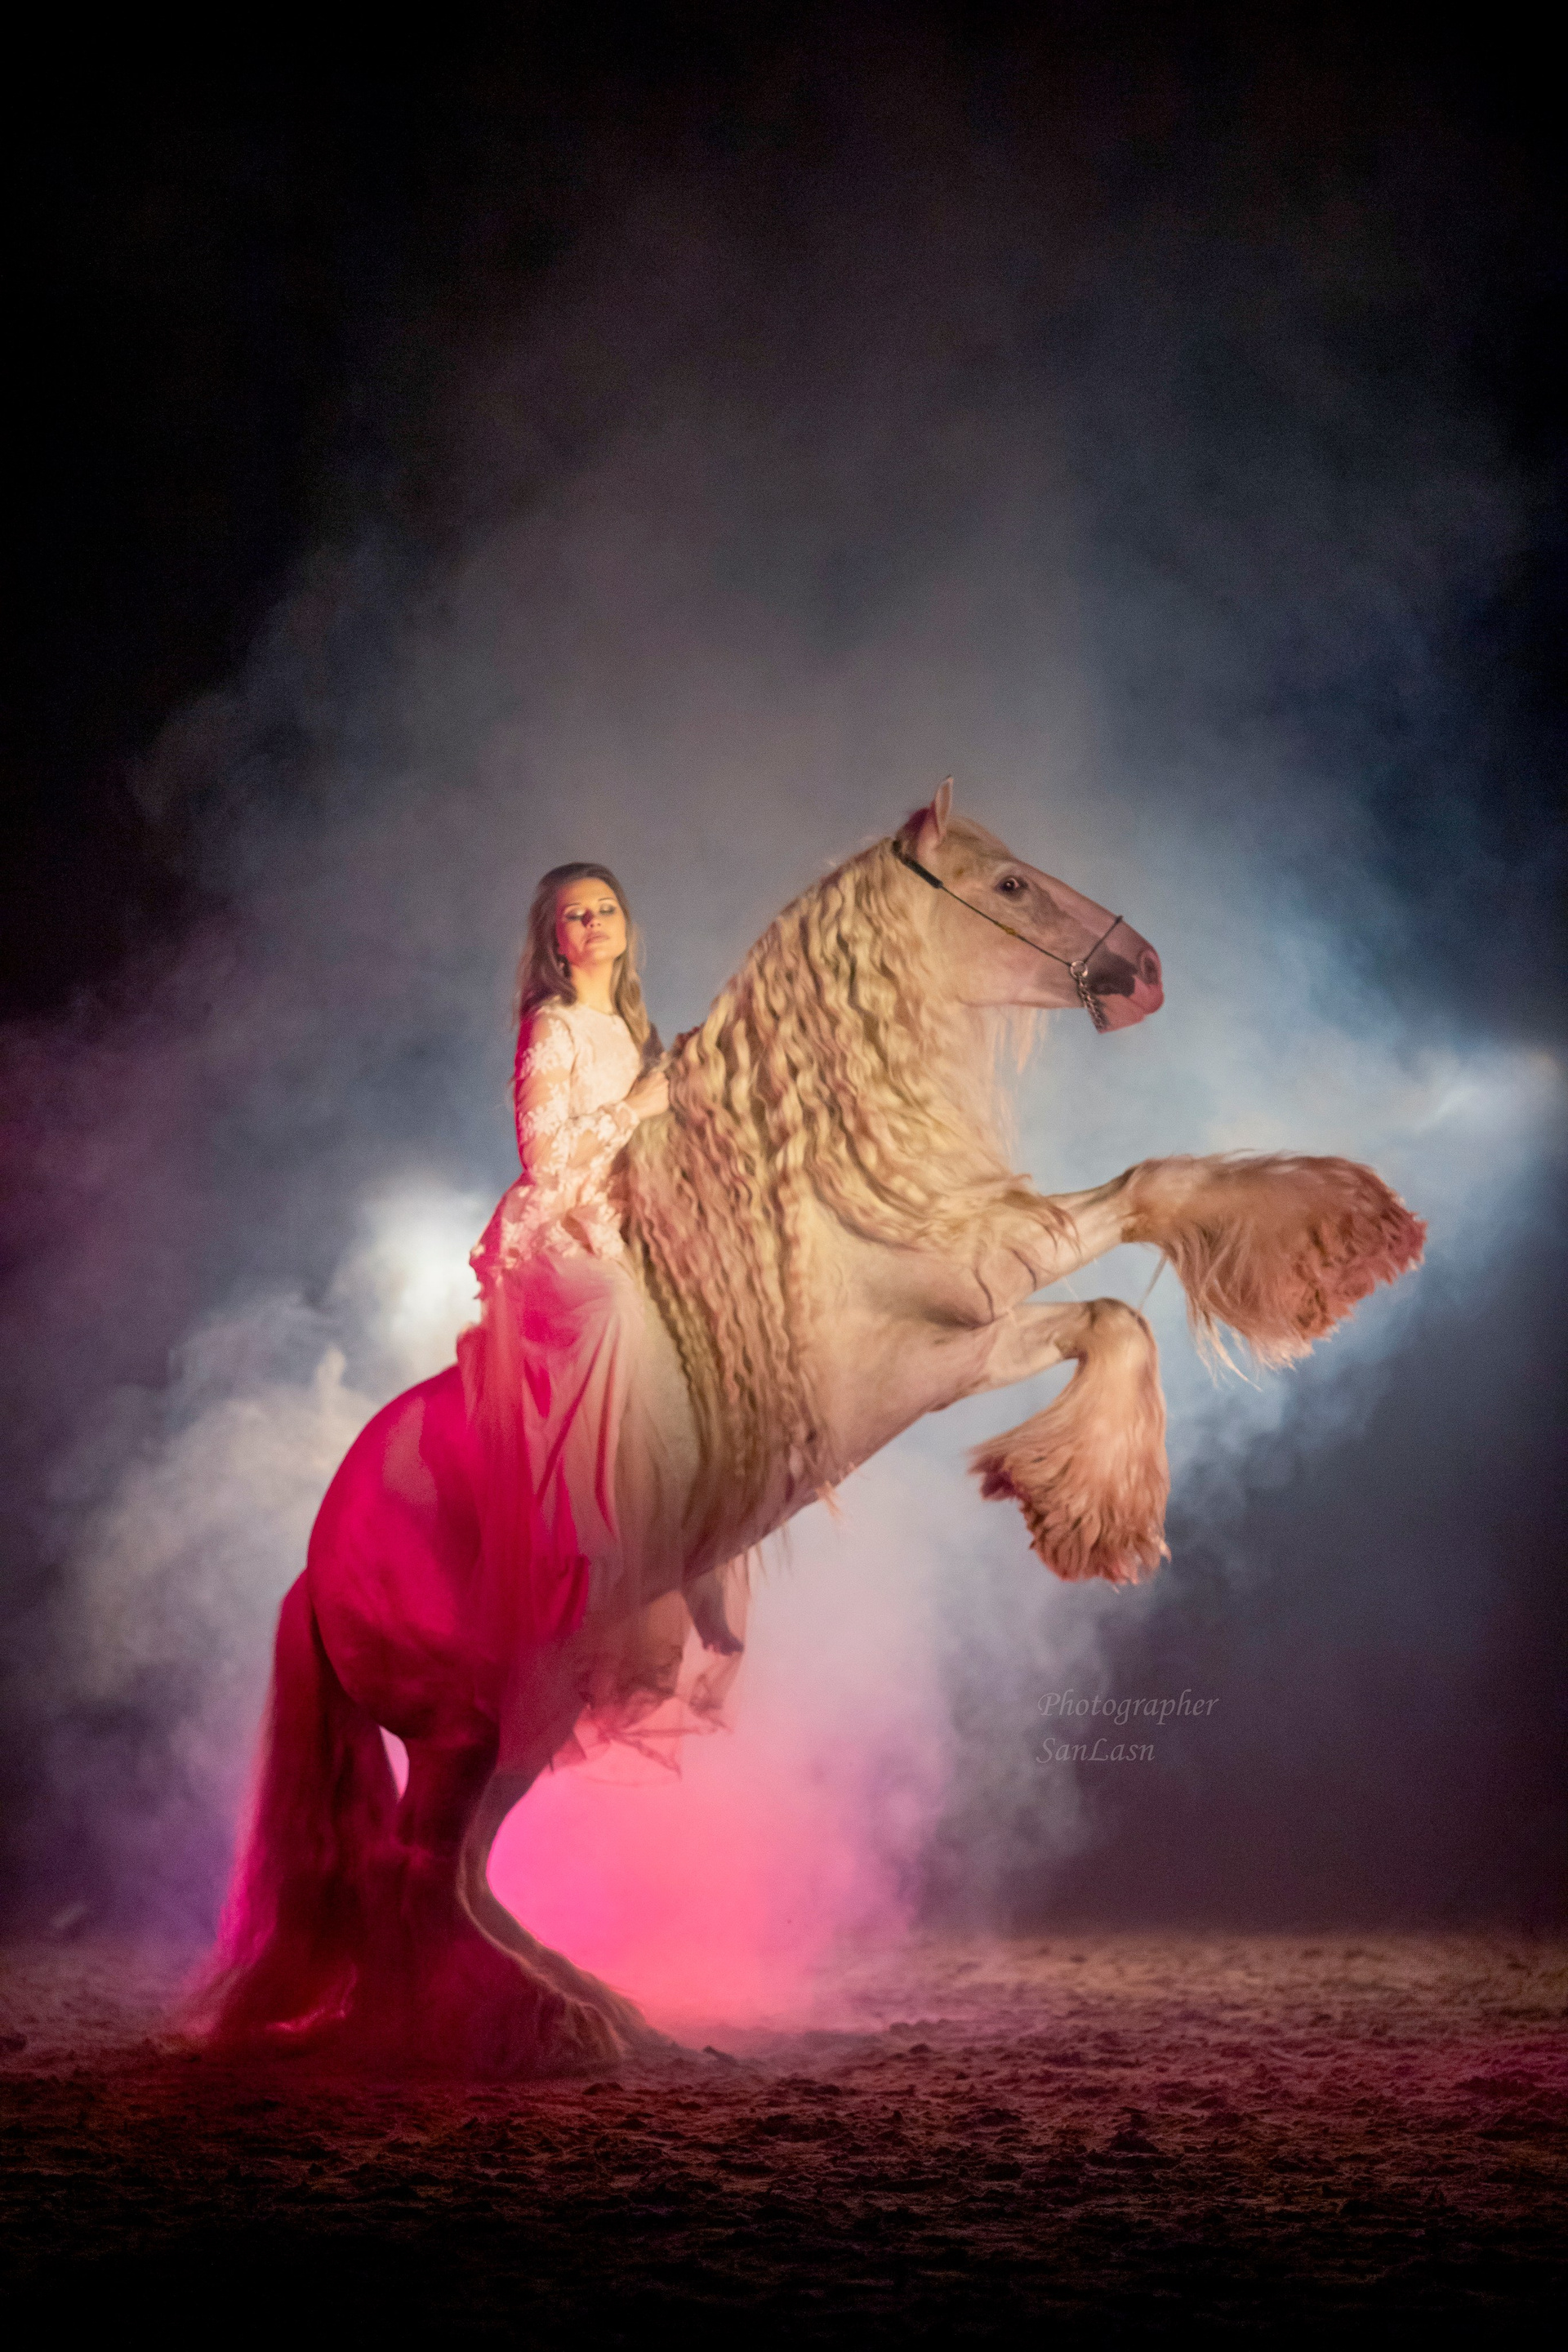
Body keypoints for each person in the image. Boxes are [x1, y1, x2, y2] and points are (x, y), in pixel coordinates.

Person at [463, 863, 730, 1769]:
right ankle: (589, 1544)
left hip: (624, 1224)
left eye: (606, 908)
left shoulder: (632, 1028)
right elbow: (546, 1162)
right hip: (557, 1234)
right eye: (575, 915)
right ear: (555, 938)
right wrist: (634, 1107)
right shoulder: (554, 1025)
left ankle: (698, 1575)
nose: (593, 923)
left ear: (626, 925)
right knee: (615, 1307)